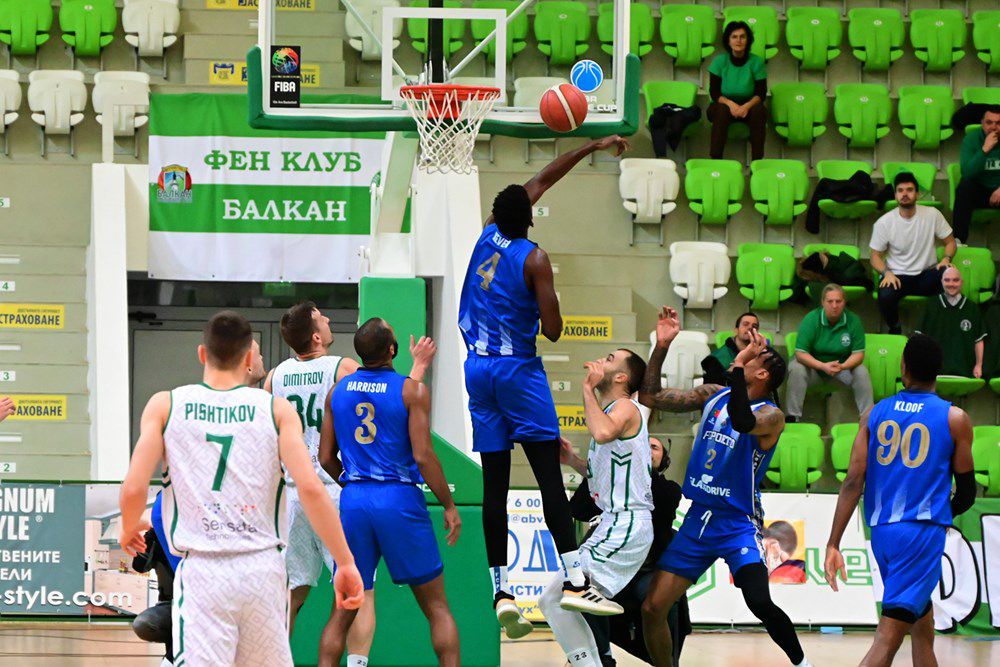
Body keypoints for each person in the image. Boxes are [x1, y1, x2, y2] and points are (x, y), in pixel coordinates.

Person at [118, 311, 364, 666]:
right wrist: (344, 562)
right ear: (249, 357)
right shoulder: (275, 409)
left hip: (203, 571)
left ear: (203, 354)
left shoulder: (166, 405)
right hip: (261, 569)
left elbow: (133, 487)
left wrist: (128, 527)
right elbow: (310, 488)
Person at [457, 135, 631, 633]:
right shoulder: (533, 258)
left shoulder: (488, 232)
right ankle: (576, 579)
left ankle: (501, 590)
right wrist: (540, 294)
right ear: (530, 218)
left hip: (477, 371)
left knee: (495, 487)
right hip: (516, 371)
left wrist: (592, 145)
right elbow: (553, 329)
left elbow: (541, 180)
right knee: (547, 479)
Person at [638, 307, 812, 667]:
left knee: (759, 602)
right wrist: (662, 346)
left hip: (737, 523)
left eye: (753, 355)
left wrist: (736, 367)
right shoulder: (714, 394)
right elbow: (651, 397)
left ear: (761, 373)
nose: (744, 352)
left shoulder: (771, 416)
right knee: (653, 608)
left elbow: (742, 419)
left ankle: (802, 663)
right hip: (699, 519)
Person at [825, 334, 976, 667]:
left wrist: (833, 542)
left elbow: (852, 481)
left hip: (881, 533)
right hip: (920, 533)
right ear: (939, 371)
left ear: (903, 367)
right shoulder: (955, 419)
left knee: (922, 627)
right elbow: (966, 492)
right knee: (887, 638)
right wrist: (939, 515)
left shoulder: (875, 413)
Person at [317, 318, 461, 667]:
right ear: (392, 350)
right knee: (438, 608)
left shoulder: (338, 391)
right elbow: (423, 455)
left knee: (342, 611)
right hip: (398, 499)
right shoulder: (411, 390)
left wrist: (352, 485)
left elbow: (324, 458)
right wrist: (449, 504)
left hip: (354, 502)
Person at [540, 349, 652, 667]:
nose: (599, 360)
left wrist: (587, 389)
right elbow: (606, 474)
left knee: (557, 598)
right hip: (614, 524)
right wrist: (573, 460)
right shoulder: (614, 412)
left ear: (621, 377)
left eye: (609, 358)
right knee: (560, 600)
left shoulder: (626, 408)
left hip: (626, 523)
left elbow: (602, 432)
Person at [563, 435, 689, 667]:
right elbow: (578, 510)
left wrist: (637, 465)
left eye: (653, 448)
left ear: (664, 461)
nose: (645, 450)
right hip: (612, 568)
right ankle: (602, 659)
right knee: (583, 591)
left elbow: (660, 501)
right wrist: (597, 473)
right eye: (641, 446)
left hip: (647, 572)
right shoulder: (610, 487)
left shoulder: (668, 490)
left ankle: (667, 662)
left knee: (661, 600)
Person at [870, 172, 958, 334]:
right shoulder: (884, 222)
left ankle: (942, 329)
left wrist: (946, 259)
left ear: (917, 194)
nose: (905, 194)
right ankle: (895, 328)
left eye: (909, 190)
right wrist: (886, 272)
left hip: (926, 275)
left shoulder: (932, 214)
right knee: (885, 295)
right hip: (898, 276)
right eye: (900, 190)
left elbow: (951, 242)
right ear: (895, 195)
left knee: (950, 275)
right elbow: (874, 256)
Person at [786, 284, 873, 423]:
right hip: (814, 370)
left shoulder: (854, 321)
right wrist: (822, 366)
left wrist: (843, 366)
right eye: (830, 301)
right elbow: (800, 353)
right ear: (823, 302)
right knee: (796, 367)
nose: (834, 305)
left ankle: (868, 419)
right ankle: (792, 418)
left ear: (844, 302)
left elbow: (858, 355)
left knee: (861, 371)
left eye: (838, 301)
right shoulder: (811, 319)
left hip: (840, 371)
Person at [707, 21, 768, 161]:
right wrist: (731, 104)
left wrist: (746, 106)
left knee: (759, 110)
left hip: (749, 106)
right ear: (728, 41)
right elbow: (715, 93)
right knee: (721, 110)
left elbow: (761, 93)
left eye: (742, 37)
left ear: (748, 40)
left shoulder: (757, 62)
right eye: (734, 37)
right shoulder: (719, 61)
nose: (738, 40)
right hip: (723, 104)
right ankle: (716, 162)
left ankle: (757, 163)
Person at [915, 267, 986, 379]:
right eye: (947, 280)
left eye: (955, 280)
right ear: (941, 282)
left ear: (962, 282)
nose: (951, 284)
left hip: (964, 372)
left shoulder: (972, 308)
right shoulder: (930, 305)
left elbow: (978, 341)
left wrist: (978, 365)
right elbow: (919, 339)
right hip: (934, 372)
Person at [952, 105, 1000, 243]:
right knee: (964, 187)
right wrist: (985, 149)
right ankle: (958, 241)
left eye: (998, 123)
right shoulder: (972, 139)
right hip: (981, 191)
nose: (993, 127)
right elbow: (967, 172)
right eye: (989, 122)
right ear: (982, 123)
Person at [701, 312, 760, 386]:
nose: (750, 327)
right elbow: (711, 391)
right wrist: (730, 372)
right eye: (745, 324)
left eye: (754, 326)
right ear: (736, 330)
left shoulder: (762, 354)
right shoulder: (716, 359)